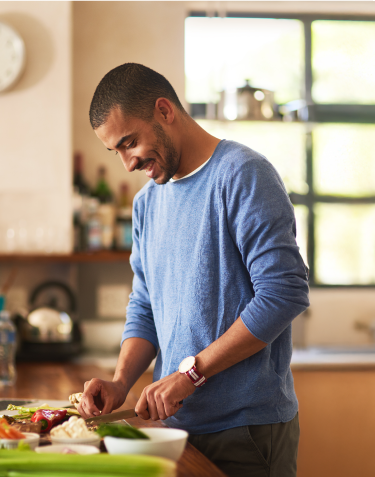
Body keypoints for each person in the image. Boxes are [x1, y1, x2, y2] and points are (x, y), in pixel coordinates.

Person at [76, 63, 310, 477]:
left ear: (165, 111)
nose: (128, 163)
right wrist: (120, 382)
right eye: (117, 151)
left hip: (246, 430)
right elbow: (146, 305)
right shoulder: (147, 203)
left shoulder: (243, 174)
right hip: (175, 427)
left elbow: (283, 293)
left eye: (130, 142)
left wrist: (191, 374)